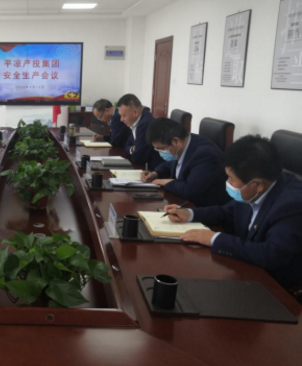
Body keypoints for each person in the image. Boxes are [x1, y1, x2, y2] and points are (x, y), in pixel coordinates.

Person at [164, 135, 302, 292]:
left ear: (257, 185)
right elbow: (226, 212)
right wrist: (190, 214)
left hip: (272, 287)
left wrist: (214, 238)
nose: (228, 183)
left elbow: (269, 254)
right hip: (244, 269)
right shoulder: (255, 187)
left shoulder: (292, 205)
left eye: (230, 179)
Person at [143, 118, 230, 207]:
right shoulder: (184, 143)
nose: (160, 152)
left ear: (176, 141)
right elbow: (170, 164)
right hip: (183, 202)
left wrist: (164, 182)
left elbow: (190, 190)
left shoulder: (205, 155)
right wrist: (155, 173)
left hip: (204, 208)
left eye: (161, 149)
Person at [117, 94, 163, 170]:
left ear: (135, 112)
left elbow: (138, 157)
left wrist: (133, 151)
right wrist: (132, 149)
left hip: (154, 169)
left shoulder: (145, 124)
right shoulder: (137, 121)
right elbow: (127, 145)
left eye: (124, 116)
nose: (121, 120)